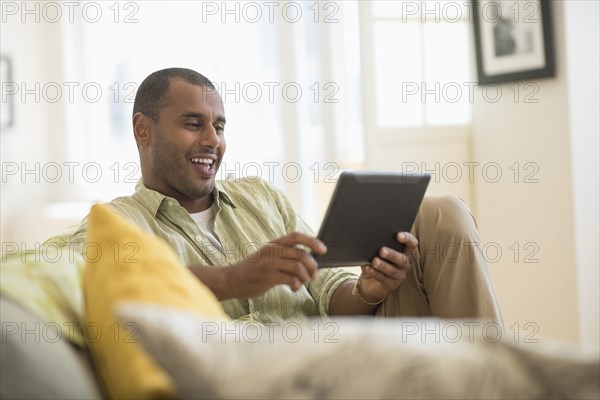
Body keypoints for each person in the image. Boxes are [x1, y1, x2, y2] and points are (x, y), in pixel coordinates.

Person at [69, 67, 503, 324]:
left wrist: (369, 291)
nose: (212, 140)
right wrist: (232, 279)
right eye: (192, 123)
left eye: (219, 127)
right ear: (143, 130)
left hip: (341, 348)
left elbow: (330, 291)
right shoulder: (117, 224)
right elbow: (94, 285)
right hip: (269, 375)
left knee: (439, 214)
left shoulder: (260, 197)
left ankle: (496, 380)